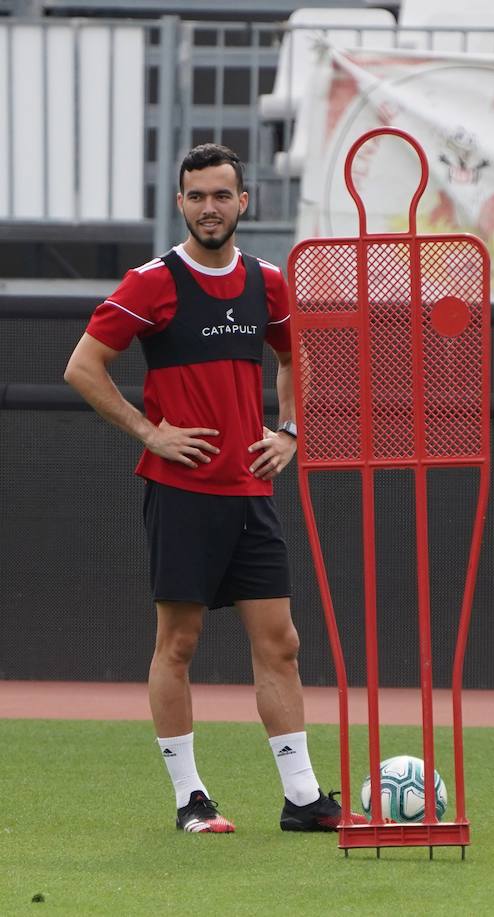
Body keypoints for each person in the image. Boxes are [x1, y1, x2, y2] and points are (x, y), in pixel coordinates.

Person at [64, 143, 344, 835]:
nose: (210, 207)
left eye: (222, 195)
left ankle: (303, 799)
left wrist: (289, 431)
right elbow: (83, 366)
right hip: (182, 492)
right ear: (181, 202)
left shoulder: (267, 281)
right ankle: (191, 798)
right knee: (179, 644)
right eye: (197, 196)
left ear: (244, 201)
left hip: (251, 492)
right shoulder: (151, 282)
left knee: (280, 642)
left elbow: (294, 356)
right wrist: (150, 432)